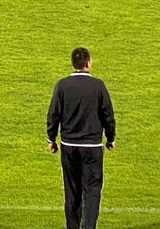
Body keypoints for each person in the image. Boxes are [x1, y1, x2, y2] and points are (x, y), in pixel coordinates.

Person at [47, 46, 116, 229]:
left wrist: (51, 139)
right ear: (88, 63)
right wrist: (110, 138)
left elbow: (54, 113)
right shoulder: (98, 86)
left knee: (72, 192)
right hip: (92, 147)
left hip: (68, 145)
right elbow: (107, 114)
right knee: (92, 191)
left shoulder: (62, 85)